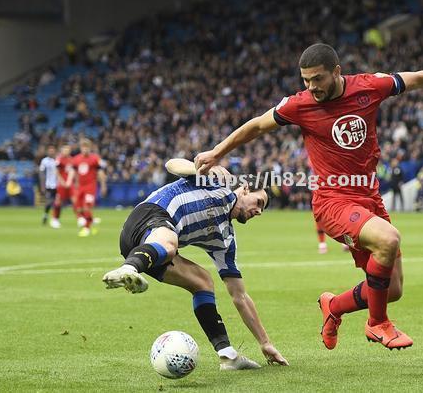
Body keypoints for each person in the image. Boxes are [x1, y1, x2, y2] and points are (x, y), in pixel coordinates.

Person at [195, 43, 423, 350]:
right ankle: (378, 324)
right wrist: (217, 152)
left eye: (317, 79)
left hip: (370, 199)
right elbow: (257, 126)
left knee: (391, 289)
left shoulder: (369, 86)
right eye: (305, 80)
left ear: (336, 72)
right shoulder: (298, 105)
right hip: (332, 201)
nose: (311, 87)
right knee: (388, 239)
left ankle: (334, 307)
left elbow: (417, 78)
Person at [102, 169, 288, 370]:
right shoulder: (218, 185)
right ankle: (128, 269)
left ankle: (228, 356)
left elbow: (239, 295)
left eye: (263, 209)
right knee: (171, 244)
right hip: (149, 216)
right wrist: (200, 170)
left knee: (203, 282)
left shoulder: (225, 240)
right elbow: (172, 164)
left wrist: (265, 343)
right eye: (259, 202)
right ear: (245, 189)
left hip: (151, 251)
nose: (259, 211)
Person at [72, 139, 107, 237]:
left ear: (90, 148)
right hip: (80, 187)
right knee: (78, 208)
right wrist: (75, 184)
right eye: (83, 147)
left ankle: (86, 228)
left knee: (87, 207)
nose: (85, 149)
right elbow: (75, 173)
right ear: (81, 148)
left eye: (87, 147)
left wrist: (103, 185)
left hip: (90, 187)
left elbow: (100, 172)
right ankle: (91, 221)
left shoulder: (95, 159)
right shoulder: (76, 159)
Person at [50, 144, 76, 229]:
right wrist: (62, 182)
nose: (66, 151)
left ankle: (81, 218)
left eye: (68, 149)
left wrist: (69, 181)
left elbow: (72, 171)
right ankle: (55, 219)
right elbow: (56, 172)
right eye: (65, 149)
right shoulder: (59, 159)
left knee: (75, 201)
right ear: (62, 150)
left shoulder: (72, 160)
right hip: (61, 184)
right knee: (58, 202)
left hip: (70, 184)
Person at [39, 145, 58, 225]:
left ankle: (55, 218)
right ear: (47, 152)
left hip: (58, 185)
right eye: (50, 150)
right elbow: (41, 173)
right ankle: (46, 215)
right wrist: (42, 186)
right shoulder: (44, 161)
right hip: (49, 185)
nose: (51, 152)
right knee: (49, 202)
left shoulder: (58, 160)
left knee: (57, 203)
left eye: (53, 150)